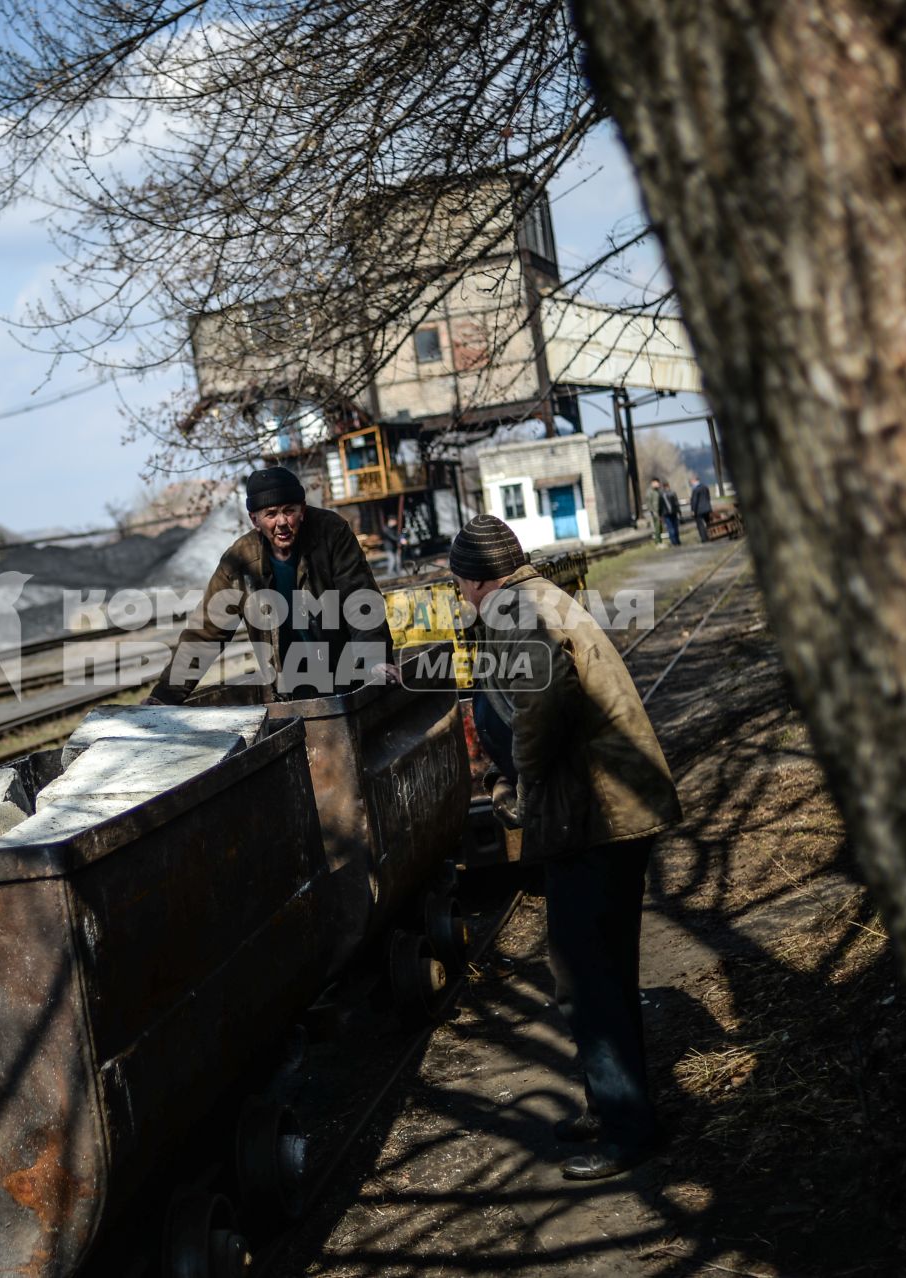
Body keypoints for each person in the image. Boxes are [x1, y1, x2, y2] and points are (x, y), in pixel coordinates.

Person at [450, 514, 682, 1181]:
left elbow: (541, 696)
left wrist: (522, 776)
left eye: (460, 583)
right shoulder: (538, 598)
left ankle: (627, 1131)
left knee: (588, 975)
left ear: (473, 577)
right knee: (598, 968)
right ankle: (613, 1107)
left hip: (595, 815)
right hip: (606, 811)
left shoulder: (515, 610)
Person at [151, 466, 397, 703]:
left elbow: (360, 598)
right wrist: (164, 697)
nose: (281, 522)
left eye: (288, 510)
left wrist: (374, 658)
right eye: (270, 514)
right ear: (255, 520)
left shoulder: (331, 533)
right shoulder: (239, 561)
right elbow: (205, 633)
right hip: (289, 687)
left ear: (302, 510)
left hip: (348, 675)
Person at [652, 477, 682, 546]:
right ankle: (677, 541)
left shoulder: (661, 494)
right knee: (675, 527)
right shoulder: (673, 493)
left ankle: (673, 542)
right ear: (668, 485)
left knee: (670, 528)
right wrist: (679, 511)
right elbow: (676, 503)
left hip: (666, 514)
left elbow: (660, 506)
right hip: (674, 512)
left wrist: (660, 515)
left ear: (663, 486)